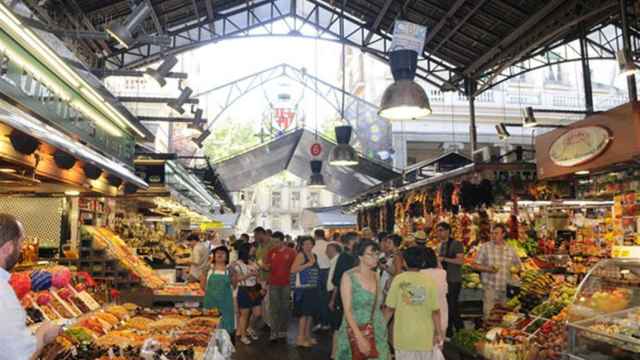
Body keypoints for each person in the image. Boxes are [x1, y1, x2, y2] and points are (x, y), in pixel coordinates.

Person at [0, 214, 61, 360]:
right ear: (8, 248)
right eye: (20, 244)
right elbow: (19, 357)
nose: (21, 250)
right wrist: (43, 335)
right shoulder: (3, 296)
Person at [384, 246, 444, 360]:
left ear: (404, 262)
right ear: (422, 262)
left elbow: (389, 309)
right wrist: (438, 333)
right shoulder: (429, 281)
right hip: (425, 337)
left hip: (403, 337)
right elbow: (435, 312)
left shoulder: (399, 279)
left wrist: (380, 329)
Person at [336, 239, 390, 360]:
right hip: (355, 327)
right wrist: (359, 337)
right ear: (360, 256)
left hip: (377, 328)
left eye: (377, 254)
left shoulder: (376, 275)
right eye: (371, 254)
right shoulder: (348, 276)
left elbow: (380, 305)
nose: (376, 257)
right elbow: (347, 311)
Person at [472, 223, 522, 318]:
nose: (493, 236)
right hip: (490, 288)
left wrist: (515, 270)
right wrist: (488, 269)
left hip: (506, 289)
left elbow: (519, 266)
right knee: (489, 315)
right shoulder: (485, 247)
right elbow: (474, 265)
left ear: (503, 234)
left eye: (496, 233)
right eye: (492, 233)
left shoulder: (510, 249)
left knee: (505, 316)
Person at [263, 231, 296, 342]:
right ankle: (274, 331)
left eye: (277, 242)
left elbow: (294, 268)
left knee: (285, 308)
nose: (275, 244)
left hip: (286, 284)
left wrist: (293, 283)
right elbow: (267, 266)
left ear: (283, 241)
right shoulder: (271, 252)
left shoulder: (291, 252)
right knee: (274, 308)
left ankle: (283, 330)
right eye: (273, 242)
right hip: (273, 284)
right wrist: (265, 267)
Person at [330, 232, 358, 359]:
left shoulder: (353, 256)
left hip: (350, 296)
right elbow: (337, 280)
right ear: (350, 242)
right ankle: (335, 353)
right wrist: (333, 299)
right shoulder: (345, 257)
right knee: (340, 325)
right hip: (344, 296)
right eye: (356, 240)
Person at [435, 222, 464, 336]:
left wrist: (444, 259)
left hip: (454, 279)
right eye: (437, 230)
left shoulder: (456, 244)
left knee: (452, 306)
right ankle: (452, 331)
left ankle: (458, 329)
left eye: (441, 230)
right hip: (444, 280)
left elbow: (460, 261)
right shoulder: (440, 245)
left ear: (448, 231)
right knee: (449, 306)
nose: (438, 232)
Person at [291, 236, 320, 347]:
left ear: (313, 244)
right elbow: (293, 269)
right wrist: (309, 264)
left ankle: (307, 336)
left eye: (310, 243)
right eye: (305, 244)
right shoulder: (301, 255)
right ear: (301, 245)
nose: (308, 246)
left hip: (312, 287)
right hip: (303, 289)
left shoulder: (314, 255)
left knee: (310, 314)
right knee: (304, 314)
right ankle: (300, 338)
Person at [232, 243, 263, 345]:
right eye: (252, 250)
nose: (253, 251)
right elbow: (236, 279)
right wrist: (250, 274)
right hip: (244, 289)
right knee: (244, 314)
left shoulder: (253, 262)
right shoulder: (236, 264)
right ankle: (243, 335)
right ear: (246, 251)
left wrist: (261, 286)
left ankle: (249, 327)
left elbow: (258, 277)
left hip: (255, 289)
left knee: (258, 313)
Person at [201, 246, 235, 340]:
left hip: (226, 307)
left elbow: (234, 286)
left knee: (225, 333)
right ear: (214, 256)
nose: (220, 254)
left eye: (223, 253)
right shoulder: (208, 269)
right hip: (210, 305)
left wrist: (234, 274)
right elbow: (202, 287)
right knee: (208, 332)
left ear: (227, 257)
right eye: (217, 253)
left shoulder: (229, 270)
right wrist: (204, 273)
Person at [421, 247, 448, 339]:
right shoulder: (442, 273)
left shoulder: (420, 273)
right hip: (441, 312)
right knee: (438, 347)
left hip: (424, 315)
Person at [312, 228, 331, 331]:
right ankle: (327, 322)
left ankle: (320, 322)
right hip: (328, 272)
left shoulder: (313, 246)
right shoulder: (329, 245)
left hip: (317, 273)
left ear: (315, 235)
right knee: (327, 298)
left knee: (318, 299)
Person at [380, 233, 402, 298]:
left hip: (391, 285)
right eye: (386, 242)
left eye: (389, 243)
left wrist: (389, 282)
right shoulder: (393, 254)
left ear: (395, 244)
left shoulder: (397, 255)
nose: (386, 245)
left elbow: (398, 273)